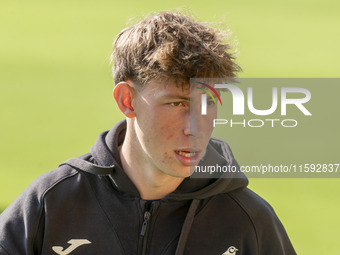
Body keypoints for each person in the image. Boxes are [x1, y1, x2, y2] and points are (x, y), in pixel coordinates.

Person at [0, 11, 296, 255]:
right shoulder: (51, 204)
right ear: (127, 101)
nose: (195, 127)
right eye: (177, 103)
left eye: (208, 103)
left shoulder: (248, 222)